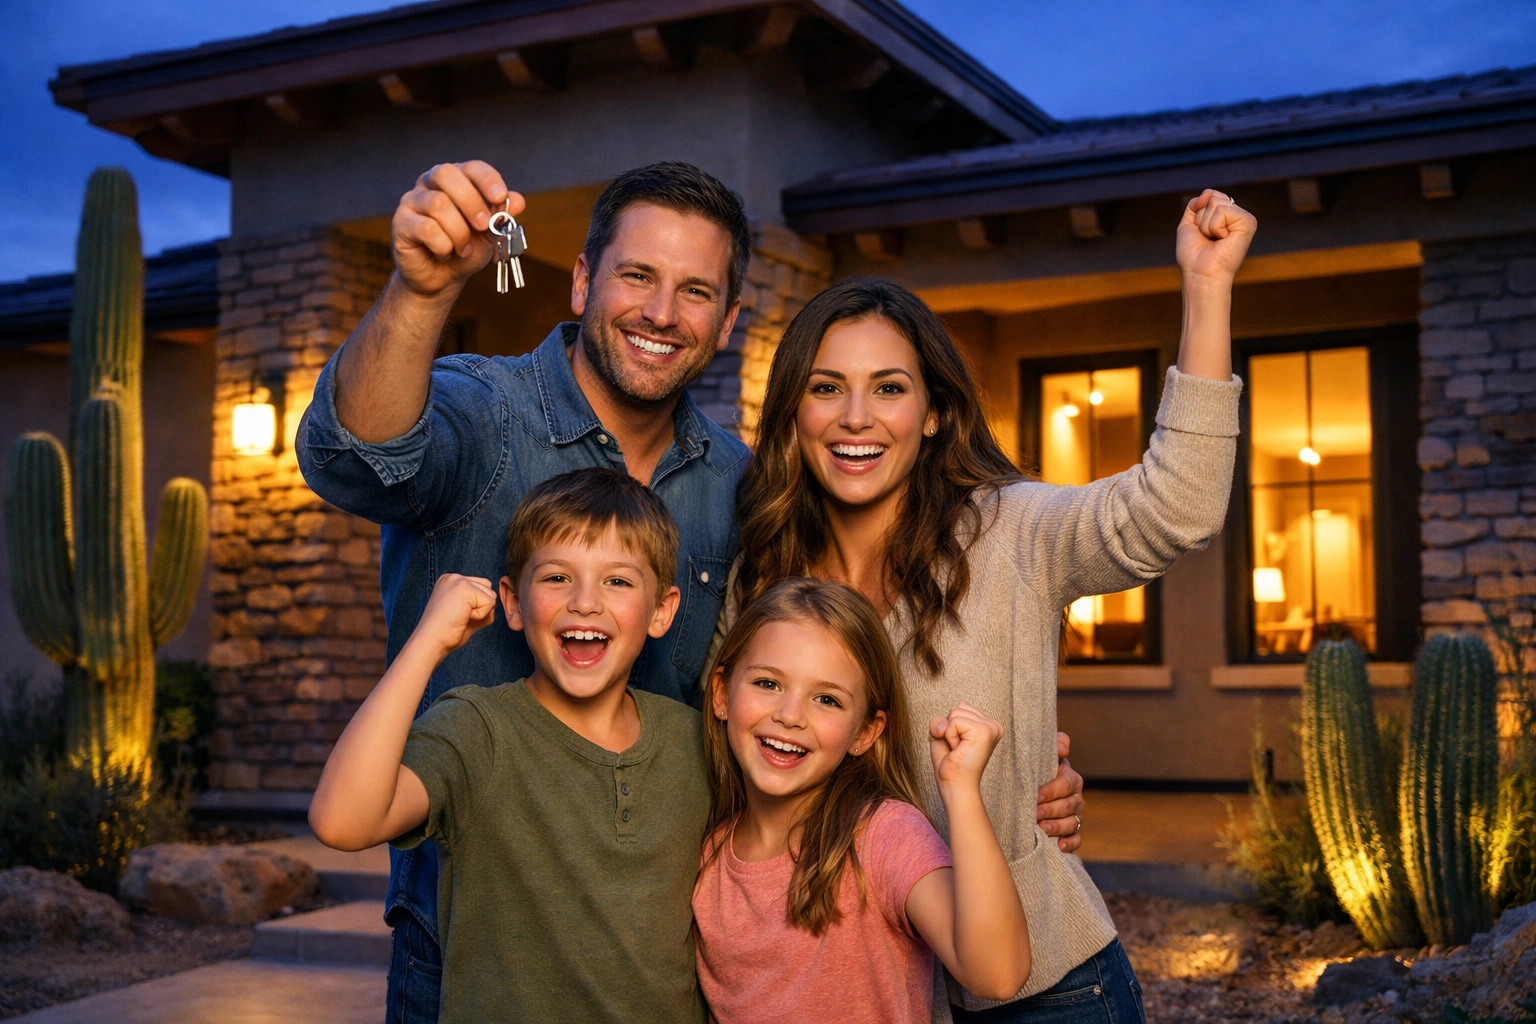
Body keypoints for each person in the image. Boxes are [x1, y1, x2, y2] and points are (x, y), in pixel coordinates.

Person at [296, 159, 1087, 1021]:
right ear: (583, 282)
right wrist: (418, 295)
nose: (663, 313)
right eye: (637, 275)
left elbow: (819, 650)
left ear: (727, 322)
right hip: (474, 934)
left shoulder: (738, 482)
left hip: (669, 943)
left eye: (696, 291)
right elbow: (356, 460)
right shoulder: (483, 410)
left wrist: (1004, 780)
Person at [718, 190, 1256, 1021]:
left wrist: (1206, 287)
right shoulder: (761, 573)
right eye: (827, 388)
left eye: (889, 388)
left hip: (1047, 989)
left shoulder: (1010, 530)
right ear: (793, 408)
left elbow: (1176, 508)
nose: (856, 418)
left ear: (933, 413)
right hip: (862, 990)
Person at [308, 468, 708, 1023]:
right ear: (513, 603)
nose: (585, 603)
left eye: (617, 581)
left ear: (661, 610)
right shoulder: (477, 729)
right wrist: (427, 643)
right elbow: (341, 822)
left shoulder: (693, 740)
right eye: (557, 578)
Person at [694, 577, 1030, 1024]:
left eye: (827, 699)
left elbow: (998, 974)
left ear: (865, 733)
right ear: (721, 695)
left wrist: (961, 791)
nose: (790, 716)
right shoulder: (707, 854)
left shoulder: (882, 835)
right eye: (769, 684)